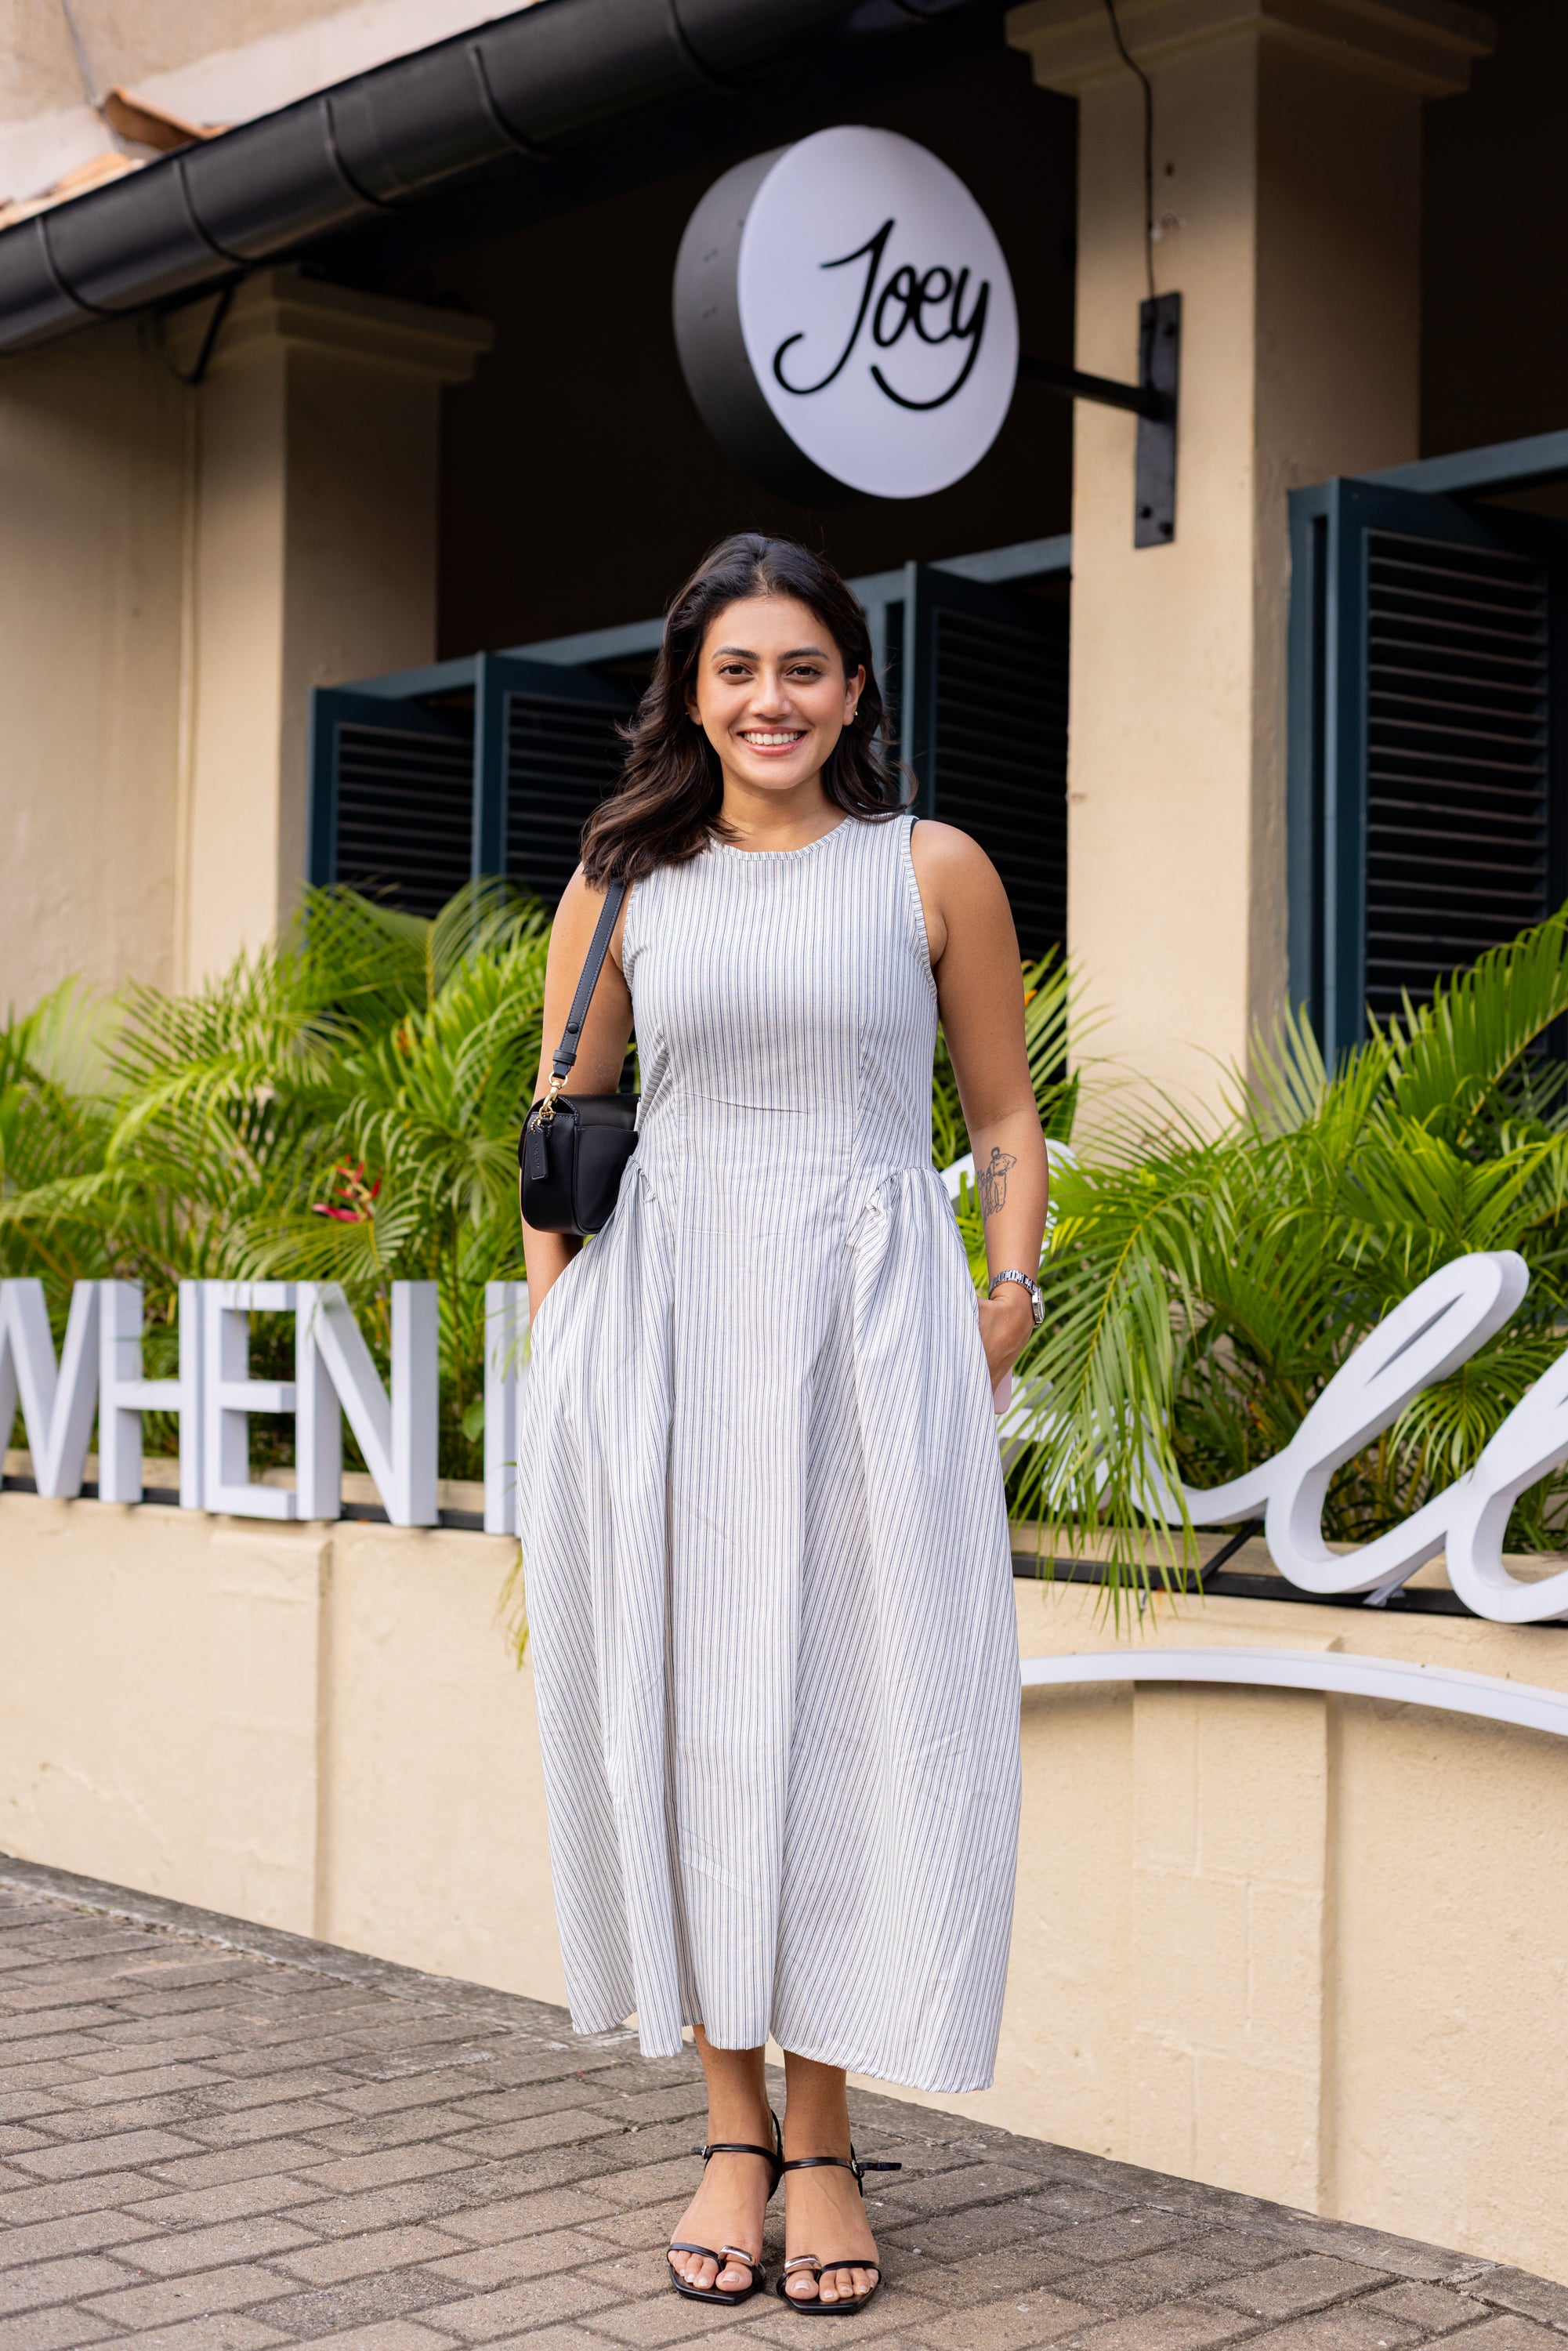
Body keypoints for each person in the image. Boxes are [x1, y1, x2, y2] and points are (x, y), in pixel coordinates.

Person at [520, 532, 1047, 2314]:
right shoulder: (617, 882)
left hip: (869, 1330)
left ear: (852, 688)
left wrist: (1002, 1294)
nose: (768, 701)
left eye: (801, 668)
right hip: (663, 1328)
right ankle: (727, 2127)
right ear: (688, 689)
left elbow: (998, 1118)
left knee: (852, 1712)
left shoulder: (931, 869)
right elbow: (563, 1122)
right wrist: (556, 1338)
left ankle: (821, 2131)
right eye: (734, 670)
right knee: (682, 1713)